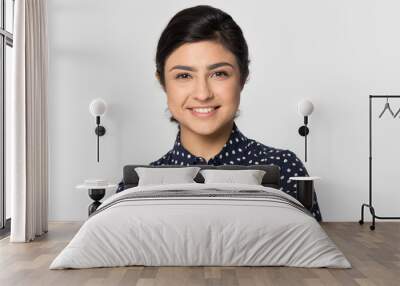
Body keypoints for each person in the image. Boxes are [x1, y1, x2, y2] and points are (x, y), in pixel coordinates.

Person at [117, 5, 322, 221]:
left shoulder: (284, 168)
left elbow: (314, 250)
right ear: (163, 82)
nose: (203, 94)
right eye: (184, 76)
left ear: (242, 77)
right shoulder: (134, 187)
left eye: (219, 73)